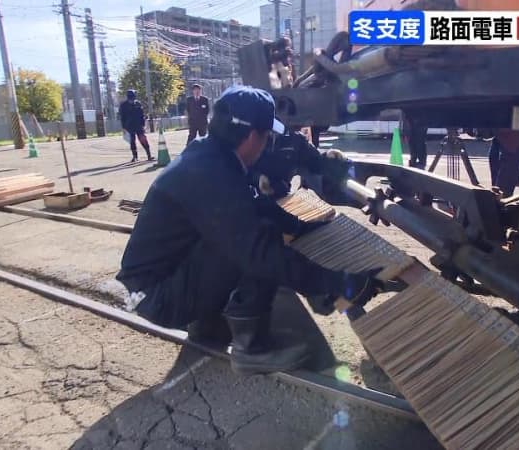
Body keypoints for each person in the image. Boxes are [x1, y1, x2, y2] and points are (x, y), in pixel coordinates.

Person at [116, 85, 385, 375]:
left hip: (160, 283)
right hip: (156, 297)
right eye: (266, 135)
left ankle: (207, 323)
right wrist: (339, 283)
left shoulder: (211, 156)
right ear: (251, 136)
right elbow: (259, 251)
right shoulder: (209, 174)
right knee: (257, 245)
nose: (268, 142)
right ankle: (252, 349)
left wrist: (303, 228)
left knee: (252, 229)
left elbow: (254, 205)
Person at [119, 89, 153, 162]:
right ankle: (135, 156)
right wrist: (124, 127)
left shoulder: (138, 104)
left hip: (138, 125)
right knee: (132, 141)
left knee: (143, 139)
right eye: (130, 97)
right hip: (129, 126)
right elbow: (122, 117)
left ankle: (149, 155)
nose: (131, 99)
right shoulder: (123, 105)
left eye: (132, 97)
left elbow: (142, 115)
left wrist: (143, 124)